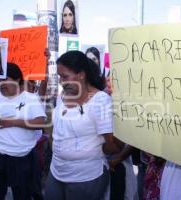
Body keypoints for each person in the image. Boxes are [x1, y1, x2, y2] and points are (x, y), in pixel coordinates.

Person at [44, 50, 123, 200]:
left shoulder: (100, 101)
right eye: (60, 77)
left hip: (86, 178)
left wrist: (98, 150)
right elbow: (57, 129)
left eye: (65, 76)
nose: (61, 81)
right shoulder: (62, 97)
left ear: (81, 74)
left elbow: (114, 145)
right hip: (56, 172)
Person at [0, 63, 46, 200]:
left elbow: (40, 123)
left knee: (22, 196)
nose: (2, 83)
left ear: (17, 80)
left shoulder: (30, 98)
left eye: (6, 79)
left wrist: (14, 122)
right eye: (0, 80)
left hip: (22, 156)